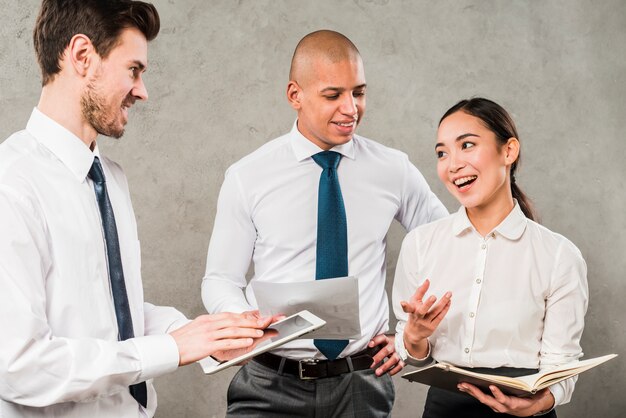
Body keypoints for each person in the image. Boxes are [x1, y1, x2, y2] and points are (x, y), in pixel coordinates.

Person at [0, 1, 277, 417]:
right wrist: (170, 349)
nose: (142, 90)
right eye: (134, 69)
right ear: (81, 56)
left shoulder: (109, 177)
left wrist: (197, 332)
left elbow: (111, 309)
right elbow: (19, 367)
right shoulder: (12, 185)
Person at [202, 29, 448, 417]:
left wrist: (405, 336)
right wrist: (243, 321)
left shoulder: (392, 169)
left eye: (359, 92)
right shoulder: (247, 176)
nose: (351, 109)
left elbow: (449, 246)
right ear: (294, 95)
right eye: (333, 95)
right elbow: (219, 278)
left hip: (361, 385)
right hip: (269, 384)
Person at [393, 98, 589, 417]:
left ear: (508, 151)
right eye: (442, 153)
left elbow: (562, 365)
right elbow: (414, 354)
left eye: (467, 145)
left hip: (526, 410)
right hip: (445, 409)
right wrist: (413, 335)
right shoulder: (420, 244)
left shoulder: (558, 256)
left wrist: (538, 403)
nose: (452, 164)